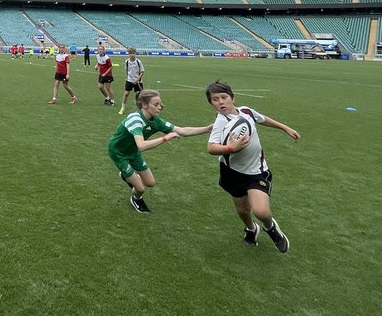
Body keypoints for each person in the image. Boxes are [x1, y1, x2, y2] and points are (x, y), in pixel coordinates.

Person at [205, 80, 299, 252]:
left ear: (232, 97)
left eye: (224, 97)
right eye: (215, 99)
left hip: (256, 170)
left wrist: (285, 128)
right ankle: (251, 228)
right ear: (211, 103)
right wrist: (230, 148)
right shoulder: (220, 123)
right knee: (242, 210)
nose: (220, 102)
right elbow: (211, 148)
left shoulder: (246, 111)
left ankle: (270, 227)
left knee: (261, 211)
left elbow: (262, 119)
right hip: (232, 173)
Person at [107, 89, 209, 213]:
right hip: (118, 152)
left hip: (133, 151)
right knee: (140, 188)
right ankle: (136, 198)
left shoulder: (155, 121)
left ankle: (127, 176)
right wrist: (165, 138)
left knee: (150, 183)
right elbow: (142, 146)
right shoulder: (135, 119)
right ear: (144, 105)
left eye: (160, 104)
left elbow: (182, 131)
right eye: (156, 105)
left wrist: (208, 129)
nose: (160, 107)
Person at [118, 48, 146, 115]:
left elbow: (142, 71)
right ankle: (122, 108)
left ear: (135, 53)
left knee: (139, 95)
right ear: (128, 54)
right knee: (126, 94)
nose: (132, 55)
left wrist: (137, 79)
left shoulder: (138, 62)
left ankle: (140, 109)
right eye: (130, 53)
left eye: (133, 53)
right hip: (129, 80)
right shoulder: (127, 61)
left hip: (138, 81)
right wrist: (127, 78)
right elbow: (127, 70)